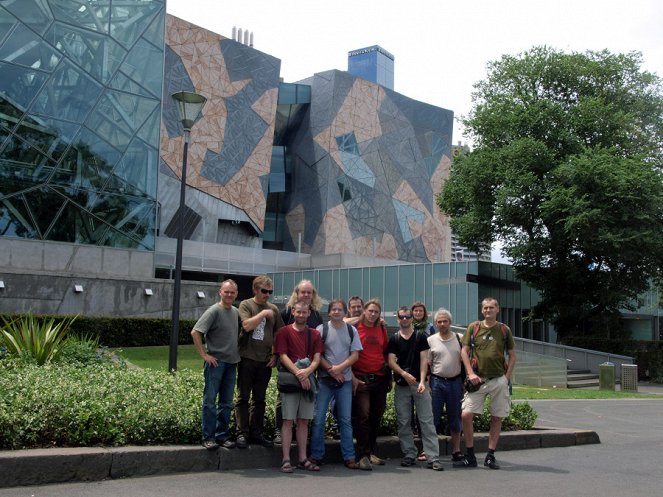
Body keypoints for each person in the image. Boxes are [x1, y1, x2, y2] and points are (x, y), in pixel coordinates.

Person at [455, 297, 517, 470]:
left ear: (497, 309)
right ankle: (470, 455)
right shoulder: (473, 328)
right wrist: (470, 373)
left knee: (497, 418)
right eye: (485, 308)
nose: (488, 310)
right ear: (482, 310)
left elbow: (512, 355)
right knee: (466, 415)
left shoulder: (504, 330)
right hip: (478, 380)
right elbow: (464, 351)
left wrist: (507, 377)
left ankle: (490, 455)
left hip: (498, 379)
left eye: (491, 308)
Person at [387, 306, 444, 471]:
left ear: (412, 318)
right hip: (402, 384)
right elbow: (391, 361)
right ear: (397, 319)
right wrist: (403, 374)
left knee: (426, 420)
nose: (404, 319)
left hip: (419, 385)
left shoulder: (420, 336)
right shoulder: (395, 339)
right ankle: (409, 454)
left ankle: (432, 457)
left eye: (407, 316)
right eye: (401, 317)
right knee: (404, 421)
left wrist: (421, 381)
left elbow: (424, 360)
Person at [309, 299, 363, 469]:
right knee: (318, 419)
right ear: (329, 312)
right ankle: (316, 455)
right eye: (334, 309)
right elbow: (317, 354)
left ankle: (349, 456)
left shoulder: (351, 330)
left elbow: (355, 355)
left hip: (345, 381)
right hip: (325, 380)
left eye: (340, 309)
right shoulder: (321, 329)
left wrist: (339, 369)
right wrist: (331, 370)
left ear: (345, 312)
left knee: (345, 419)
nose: (337, 312)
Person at [273, 300, 323, 473]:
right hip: (291, 382)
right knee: (287, 421)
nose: (301, 315)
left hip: (308, 381)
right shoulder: (283, 332)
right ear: (293, 311)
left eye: (305, 312)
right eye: (298, 312)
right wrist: (299, 373)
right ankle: (286, 459)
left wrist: (307, 372)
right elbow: (283, 356)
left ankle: (303, 458)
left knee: (303, 422)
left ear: (309, 313)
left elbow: (317, 358)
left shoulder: (315, 334)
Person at [191, 279, 241, 450]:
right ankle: (208, 437)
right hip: (216, 363)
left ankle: (222, 435)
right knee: (210, 401)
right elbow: (195, 332)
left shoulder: (235, 311)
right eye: (226, 291)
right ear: (220, 292)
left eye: (232, 292)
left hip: (232, 363)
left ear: (236, 294)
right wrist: (204, 355)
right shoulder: (214, 311)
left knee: (226, 402)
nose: (229, 295)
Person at [235, 275, 284, 449]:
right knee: (243, 397)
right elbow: (247, 325)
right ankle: (242, 432)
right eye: (264, 291)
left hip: (264, 361)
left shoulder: (274, 309)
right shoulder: (247, 305)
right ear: (255, 289)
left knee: (260, 399)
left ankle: (256, 433)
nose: (267, 295)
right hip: (247, 358)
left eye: (270, 291)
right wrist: (263, 313)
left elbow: (279, 333)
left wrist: (275, 354)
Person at [351, 298, 391, 470]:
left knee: (376, 416)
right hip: (361, 378)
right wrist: (352, 377)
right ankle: (362, 455)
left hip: (380, 378)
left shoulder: (382, 328)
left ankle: (370, 451)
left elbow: (385, 352)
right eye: (370, 311)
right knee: (363, 416)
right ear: (364, 311)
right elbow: (349, 352)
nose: (373, 314)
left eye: (376, 312)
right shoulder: (355, 328)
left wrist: (388, 377)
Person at [427, 308, 463, 463]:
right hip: (436, 382)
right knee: (432, 418)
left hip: (455, 382)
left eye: (445, 321)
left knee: (455, 418)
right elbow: (427, 364)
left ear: (450, 322)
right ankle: (431, 452)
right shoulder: (431, 340)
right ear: (436, 323)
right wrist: (428, 385)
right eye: (439, 322)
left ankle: (456, 450)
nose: (442, 324)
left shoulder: (460, 338)